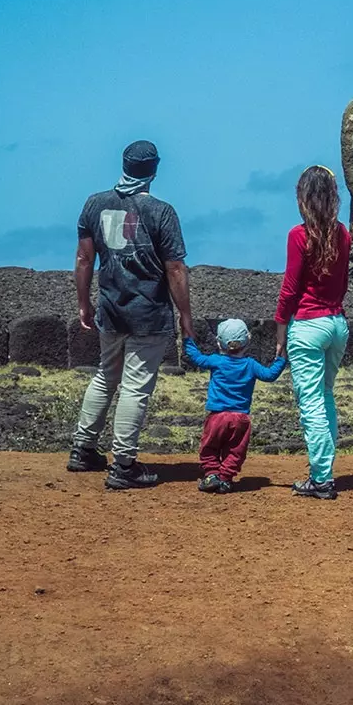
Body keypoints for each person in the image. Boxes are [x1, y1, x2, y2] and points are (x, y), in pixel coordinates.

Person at [69, 140, 193, 490]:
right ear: (154, 170)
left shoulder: (95, 204)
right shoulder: (161, 212)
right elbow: (175, 268)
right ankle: (124, 464)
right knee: (136, 387)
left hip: (110, 306)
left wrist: (84, 302)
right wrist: (185, 316)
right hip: (148, 312)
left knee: (106, 375)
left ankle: (83, 448)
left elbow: (83, 258)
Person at [275, 165, 351, 501]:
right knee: (326, 395)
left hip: (308, 325)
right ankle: (324, 470)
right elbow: (343, 282)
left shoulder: (299, 235)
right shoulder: (343, 234)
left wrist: (280, 327)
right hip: (336, 322)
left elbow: (290, 288)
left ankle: (321, 478)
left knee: (312, 404)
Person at [183, 319, 285, 493]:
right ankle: (225, 478)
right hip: (240, 418)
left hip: (217, 416)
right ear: (248, 339)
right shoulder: (251, 365)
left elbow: (195, 357)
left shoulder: (216, 361)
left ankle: (212, 474)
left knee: (209, 447)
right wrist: (281, 358)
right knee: (235, 451)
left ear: (218, 342)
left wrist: (187, 339)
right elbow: (269, 375)